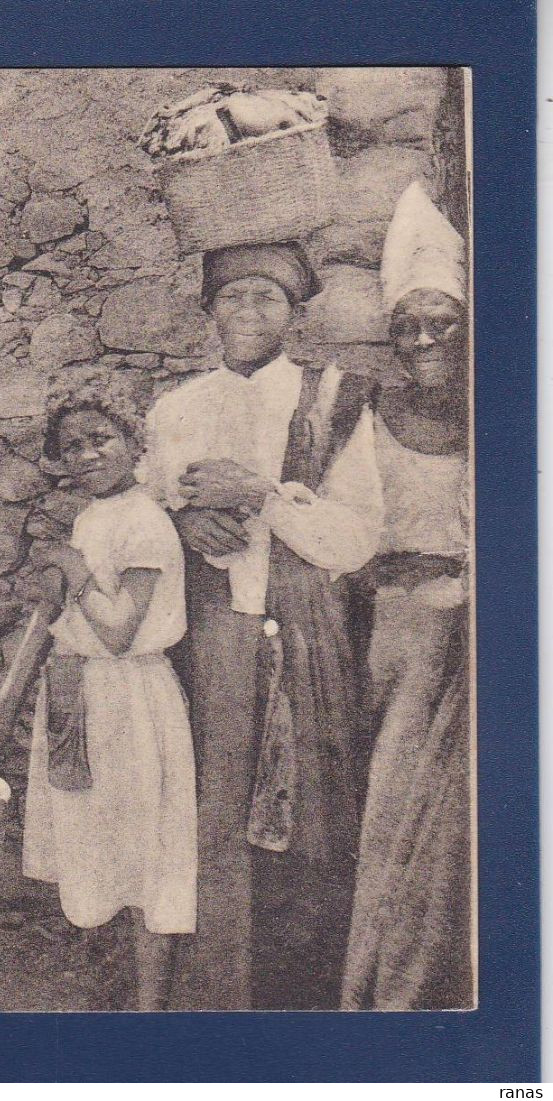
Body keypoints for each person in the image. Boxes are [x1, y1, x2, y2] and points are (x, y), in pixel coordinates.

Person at [140, 240, 384, 1010]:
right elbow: (144, 512)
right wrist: (179, 529)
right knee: (209, 810)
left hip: (305, 638)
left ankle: (296, 1003)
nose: (248, 313)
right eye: (232, 297)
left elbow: (353, 538)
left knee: (306, 812)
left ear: (294, 312)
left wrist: (260, 495)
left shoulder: (335, 398)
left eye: (267, 298)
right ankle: (211, 998)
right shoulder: (175, 409)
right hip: (209, 641)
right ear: (208, 309)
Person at [23, 378, 196, 1011]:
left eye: (102, 439)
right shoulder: (95, 514)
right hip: (82, 691)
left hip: (129, 698)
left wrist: (72, 571)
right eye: (71, 447)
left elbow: (122, 631)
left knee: (144, 846)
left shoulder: (145, 522)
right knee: (94, 836)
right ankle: (105, 986)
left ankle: (149, 1003)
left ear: (133, 445)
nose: (87, 454)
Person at [342, 183, 474, 1010]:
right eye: (405, 324)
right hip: (398, 636)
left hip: (470, 634)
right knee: (390, 808)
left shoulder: (497, 414)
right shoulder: (370, 414)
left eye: (441, 322)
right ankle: (374, 988)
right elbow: (352, 533)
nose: (422, 339)